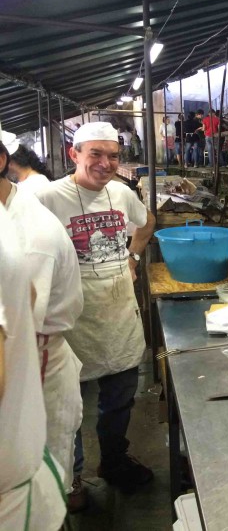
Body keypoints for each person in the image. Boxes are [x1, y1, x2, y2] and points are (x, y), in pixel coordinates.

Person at [36, 122, 157, 508]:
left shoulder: (121, 193)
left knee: (120, 397)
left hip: (118, 314)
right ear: (74, 154)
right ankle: (71, 479)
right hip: (72, 321)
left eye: (113, 156)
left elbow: (147, 221)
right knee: (67, 407)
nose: (105, 164)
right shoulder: (47, 198)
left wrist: (133, 257)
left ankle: (114, 461)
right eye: (96, 154)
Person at [1, 129, 84, 510]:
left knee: (36, 490)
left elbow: (16, 341)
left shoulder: (29, 238)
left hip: (34, 364)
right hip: (26, 360)